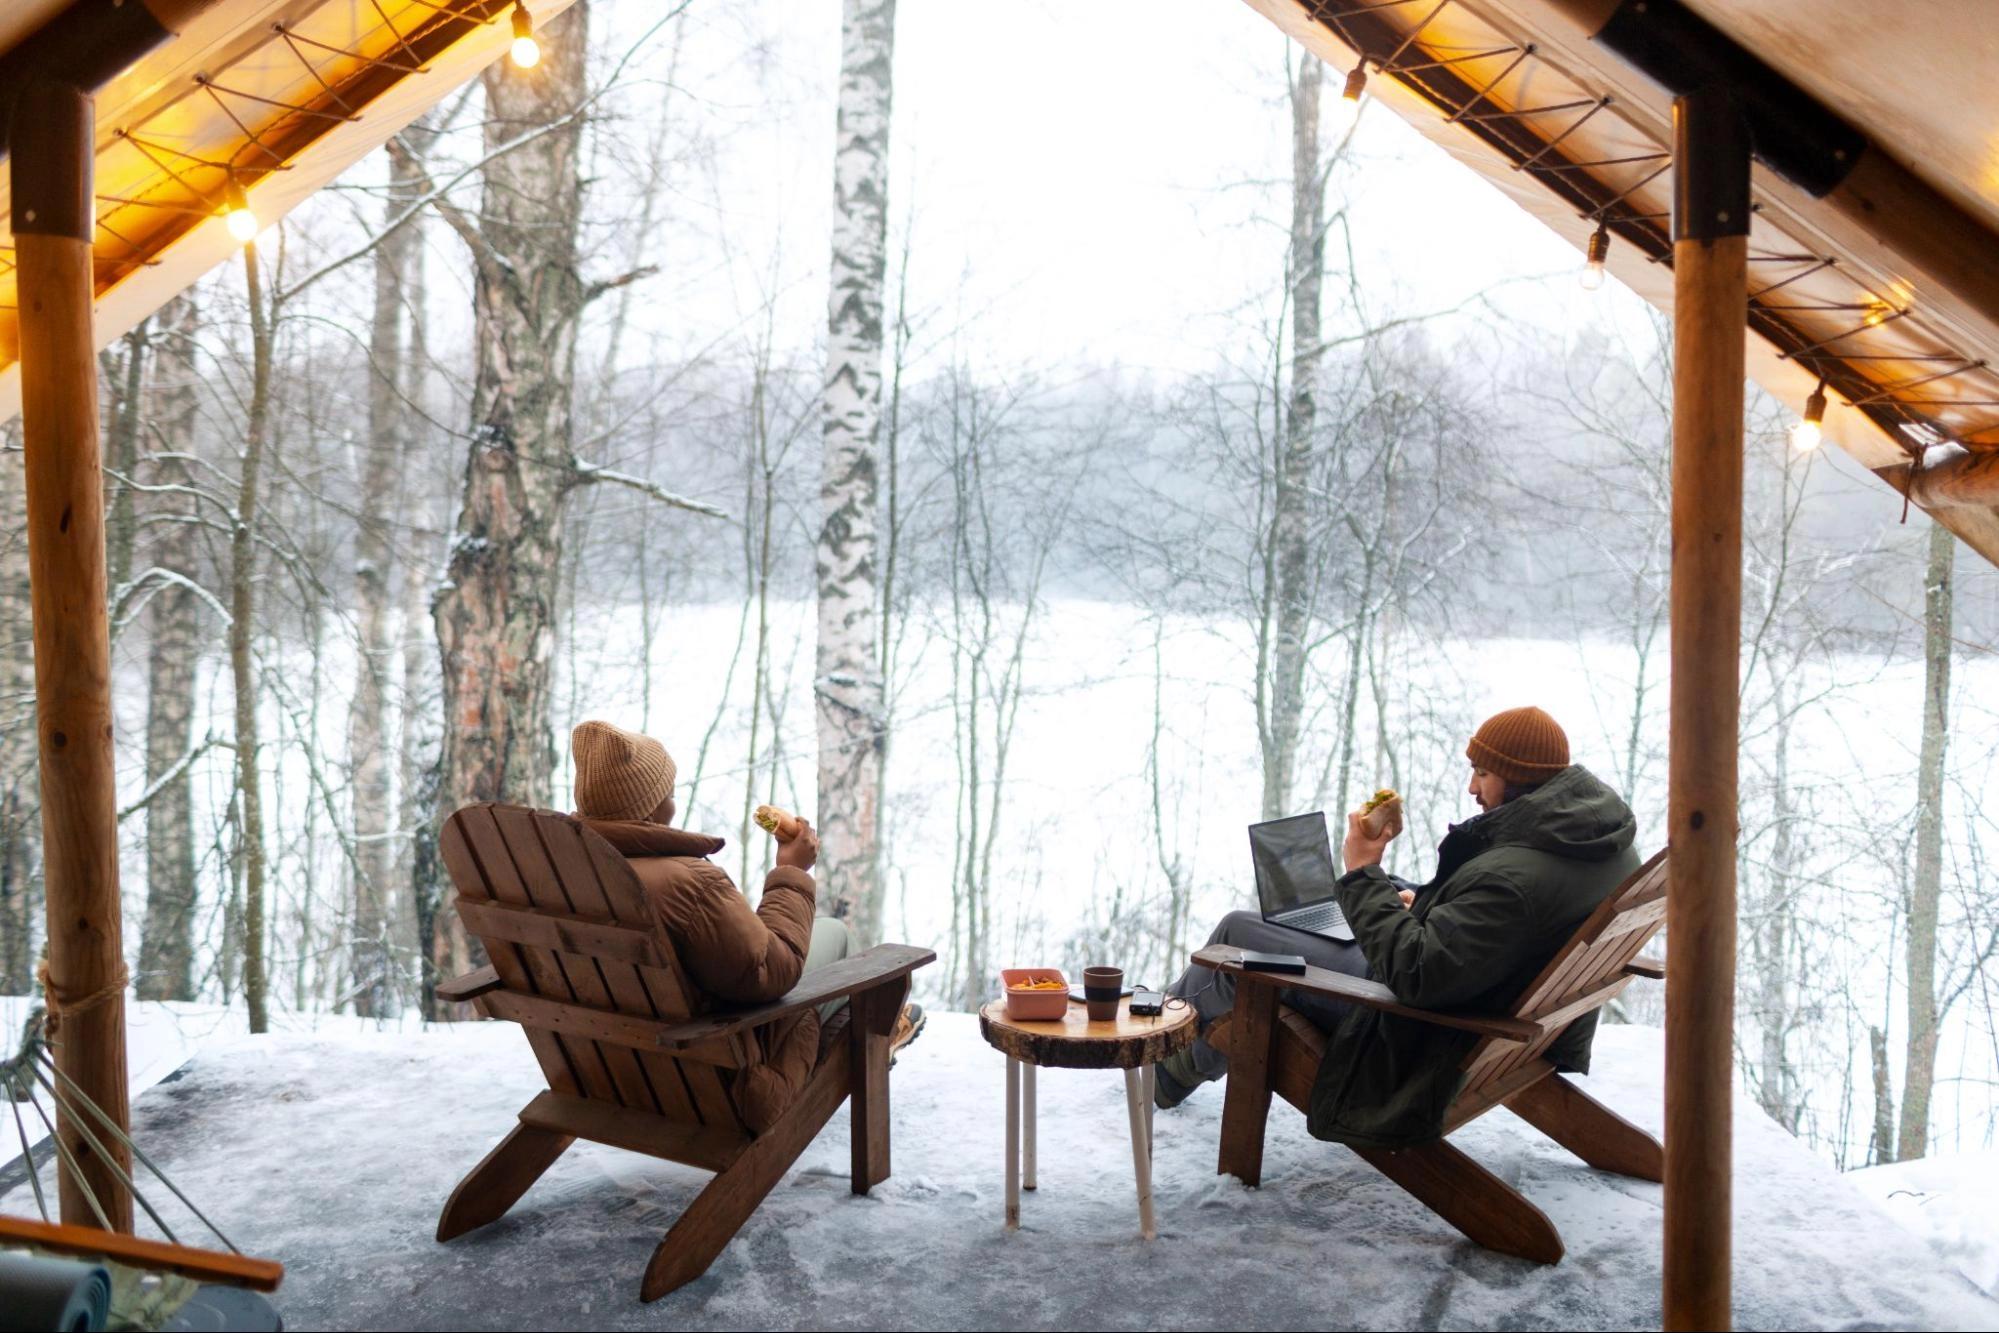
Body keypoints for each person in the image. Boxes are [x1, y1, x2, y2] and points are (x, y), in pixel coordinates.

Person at [1155, 706, 1640, 1152]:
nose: (1473, 788)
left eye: (1484, 772)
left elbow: (1416, 975)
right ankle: (1172, 1055)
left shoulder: (1515, 878)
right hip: (1486, 1009)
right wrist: (1420, 904)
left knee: (1238, 937)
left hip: (1417, 1033)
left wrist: (1362, 871)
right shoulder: (1595, 844)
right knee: (1255, 947)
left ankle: (1162, 1059)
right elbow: (1493, 928)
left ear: (1519, 778)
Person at [568, 720, 924, 1132]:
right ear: (650, 807)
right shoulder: (685, 883)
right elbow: (769, 975)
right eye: (669, 791)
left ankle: (888, 1026)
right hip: (717, 1076)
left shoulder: (564, 868)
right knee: (837, 937)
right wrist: (791, 871)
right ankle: (885, 1029)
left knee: (808, 937)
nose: (673, 801)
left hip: (608, 1067)